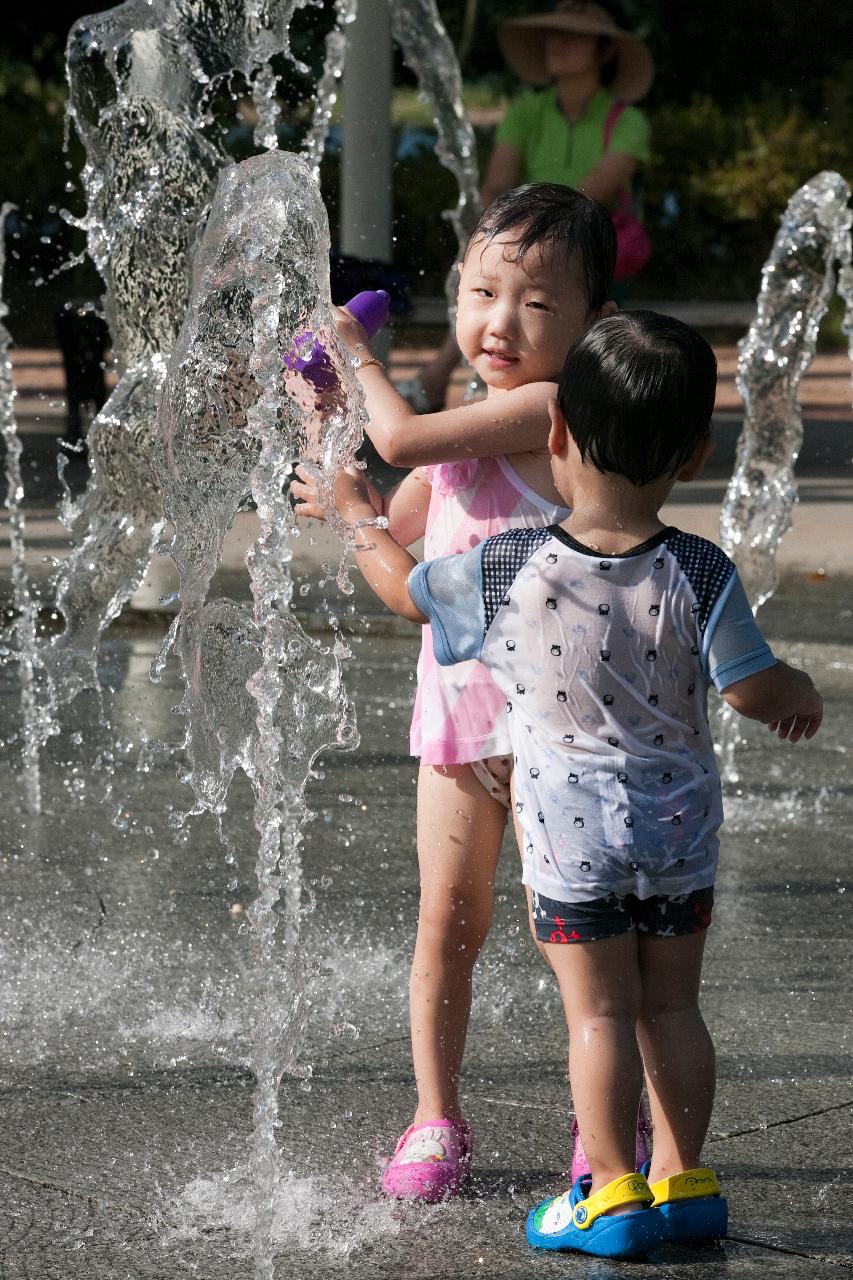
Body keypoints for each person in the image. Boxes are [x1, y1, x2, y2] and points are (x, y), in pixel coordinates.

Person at [322, 310, 823, 1256]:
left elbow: (400, 589)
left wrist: (352, 506)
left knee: (596, 1013)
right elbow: (753, 687)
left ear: (553, 434)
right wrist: (794, 690)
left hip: (571, 843)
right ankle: (685, 1180)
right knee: (672, 1008)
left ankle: (611, 1196)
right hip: (678, 839)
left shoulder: (513, 564)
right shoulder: (700, 569)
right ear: (695, 453)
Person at [294, 183, 652, 1200]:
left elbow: (401, 445)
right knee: (446, 918)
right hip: (458, 723)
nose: (498, 320)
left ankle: (604, 1122)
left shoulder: (555, 409)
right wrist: (330, 454)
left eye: (535, 303)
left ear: (594, 327)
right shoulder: (459, 439)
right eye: (480, 290)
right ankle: (433, 1113)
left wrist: (353, 356)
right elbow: (400, 555)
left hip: (563, 735)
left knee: (570, 937)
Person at [407, 0, 653, 413]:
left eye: (575, 34)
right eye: (553, 33)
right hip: (525, 244)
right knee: (497, 284)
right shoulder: (526, 111)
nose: (559, 42)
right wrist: (500, 236)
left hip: (587, 250)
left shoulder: (628, 122)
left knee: (509, 293)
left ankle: (449, 382)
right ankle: (462, 390)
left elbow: (592, 195)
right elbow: (498, 184)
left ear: (605, 50)